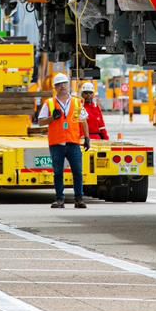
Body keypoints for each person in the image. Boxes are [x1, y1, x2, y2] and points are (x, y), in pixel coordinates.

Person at [36, 73, 90, 209]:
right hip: (57, 143)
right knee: (58, 172)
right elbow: (41, 122)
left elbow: (83, 121)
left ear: (68, 85)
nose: (62, 87)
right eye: (59, 85)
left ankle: (79, 199)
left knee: (77, 171)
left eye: (64, 84)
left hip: (73, 142)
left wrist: (87, 138)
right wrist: (51, 118)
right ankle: (59, 199)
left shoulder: (76, 102)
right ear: (55, 87)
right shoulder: (49, 103)